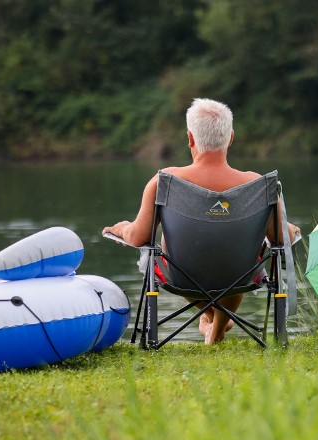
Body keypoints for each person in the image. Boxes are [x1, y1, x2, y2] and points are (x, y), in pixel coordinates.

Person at [104, 98, 299, 345]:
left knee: (167, 242)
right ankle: (218, 324)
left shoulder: (164, 182)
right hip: (241, 275)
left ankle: (215, 325)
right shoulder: (258, 186)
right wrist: (289, 227)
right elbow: (282, 240)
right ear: (230, 138)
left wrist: (122, 229)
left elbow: (138, 237)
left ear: (190, 138)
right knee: (243, 247)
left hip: (180, 276)